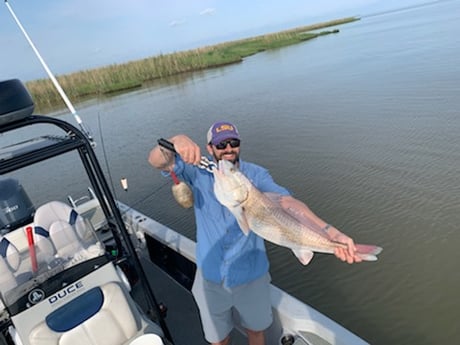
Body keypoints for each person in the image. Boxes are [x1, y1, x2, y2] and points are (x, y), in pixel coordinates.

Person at [148, 121, 362, 345]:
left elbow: (288, 202)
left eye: (233, 142)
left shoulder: (255, 175)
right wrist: (176, 141)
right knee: (218, 340)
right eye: (221, 144)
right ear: (210, 148)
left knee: (256, 332)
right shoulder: (198, 171)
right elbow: (156, 161)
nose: (228, 149)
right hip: (211, 276)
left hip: (252, 276)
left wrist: (329, 232)